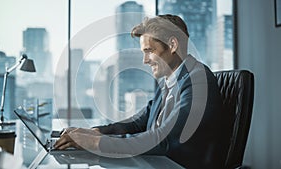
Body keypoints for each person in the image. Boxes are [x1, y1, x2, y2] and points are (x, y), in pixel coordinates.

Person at [54, 14, 231, 168]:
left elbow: (165, 140)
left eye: (149, 51)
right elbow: (138, 123)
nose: (145, 61)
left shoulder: (198, 81)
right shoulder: (169, 82)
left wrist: (95, 143)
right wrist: (96, 132)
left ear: (172, 45)